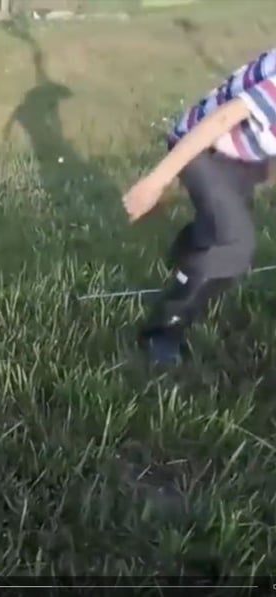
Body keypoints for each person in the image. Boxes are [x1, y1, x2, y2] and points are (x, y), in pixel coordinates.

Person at [122, 48, 275, 366]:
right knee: (235, 245)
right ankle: (162, 331)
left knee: (220, 228)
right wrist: (156, 181)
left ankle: (187, 257)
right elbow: (221, 119)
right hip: (200, 147)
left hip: (244, 159)